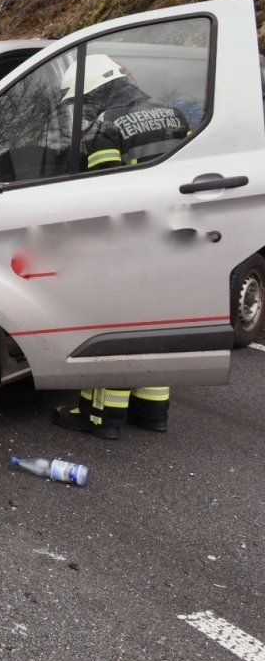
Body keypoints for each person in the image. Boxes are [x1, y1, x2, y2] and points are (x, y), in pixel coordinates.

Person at [53, 54, 186, 438]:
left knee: (113, 331)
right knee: (155, 329)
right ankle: (152, 412)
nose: (82, 112)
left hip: (128, 247)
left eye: (81, 104)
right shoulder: (175, 115)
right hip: (175, 241)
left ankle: (100, 416)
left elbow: (105, 197)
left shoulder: (105, 128)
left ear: (96, 91)